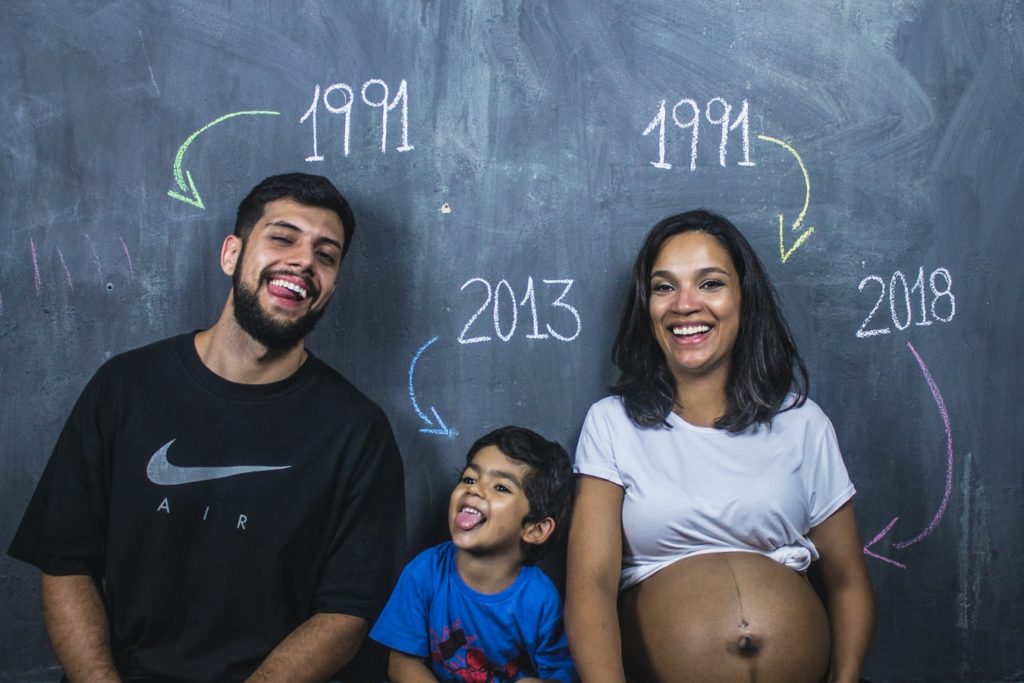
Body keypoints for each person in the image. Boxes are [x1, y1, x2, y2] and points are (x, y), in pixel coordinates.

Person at [8, 173, 405, 682]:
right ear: (231, 254)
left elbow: (345, 614)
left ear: (330, 287)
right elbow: (65, 563)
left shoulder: (358, 433)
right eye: (282, 237)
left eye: (326, 255)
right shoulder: (125, 387)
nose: (305, 261)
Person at [565, 211, 874, 683]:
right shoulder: (612, 424)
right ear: (646, 306)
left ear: (744, 300)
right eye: (664, 287)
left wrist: (846, 679)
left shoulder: (803, 423)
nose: (684, 305)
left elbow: (848, 581)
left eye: (710, 284)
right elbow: (590, 585)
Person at [370, 426, 578, 683]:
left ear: (535, 529)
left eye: (501, 487)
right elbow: (403, 664)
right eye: (469, 479)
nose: (475, 489)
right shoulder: (424, 571)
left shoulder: (540, 600)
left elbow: (561, 676)